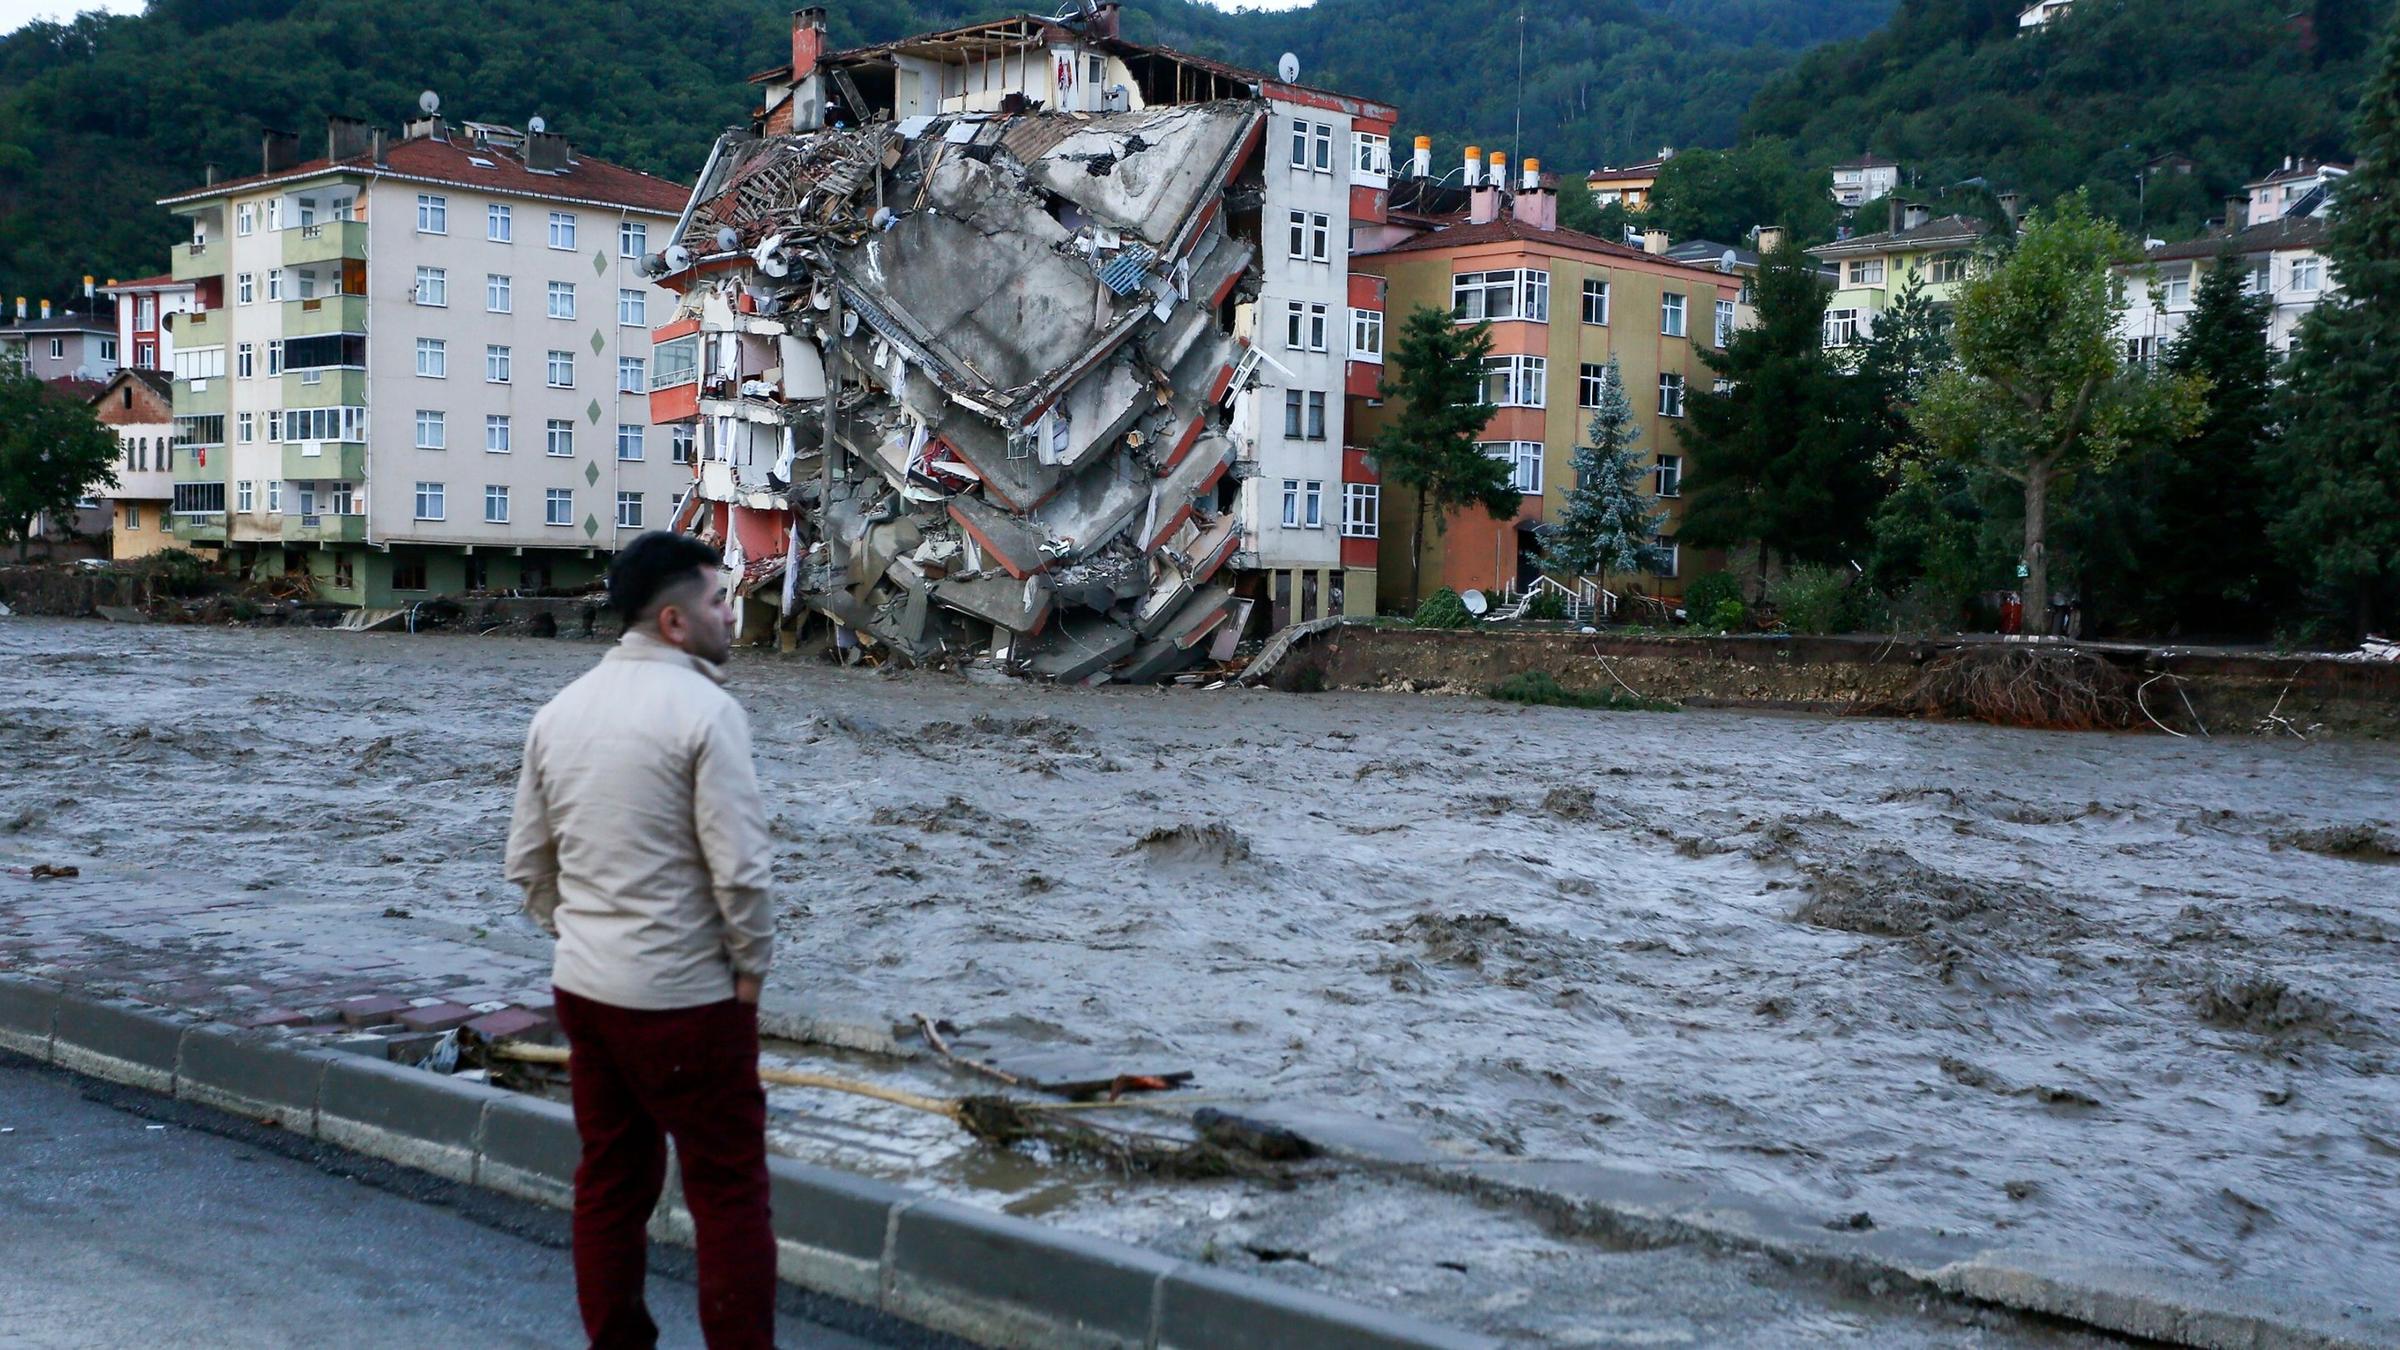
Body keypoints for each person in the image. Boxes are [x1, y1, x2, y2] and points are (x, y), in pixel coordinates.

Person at [505, 531, 776, 1349]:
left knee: (611, 1181)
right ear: (674, 621)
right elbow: (741, 873)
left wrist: (582, 932)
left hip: (586, 990)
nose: (732, 614)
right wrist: (750, 970)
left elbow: (527, 862)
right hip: (687, 998)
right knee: (727, 1192)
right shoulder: (707, 713)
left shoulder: (559, 714)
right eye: (719, 600)